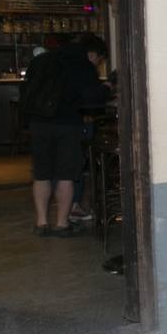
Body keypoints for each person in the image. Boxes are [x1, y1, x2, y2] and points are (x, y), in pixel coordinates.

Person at [26, 33, 109, 236]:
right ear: (92, 54)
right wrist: (106, 89)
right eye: (98, 60)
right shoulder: (82, 65)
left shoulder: (41, 60)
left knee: (41, 174)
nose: (97, 64)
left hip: (38, 123)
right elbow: (92, 98)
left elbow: (26, 90)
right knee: (66, 175)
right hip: (67, 124)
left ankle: (41, 223)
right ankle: (62, 224)